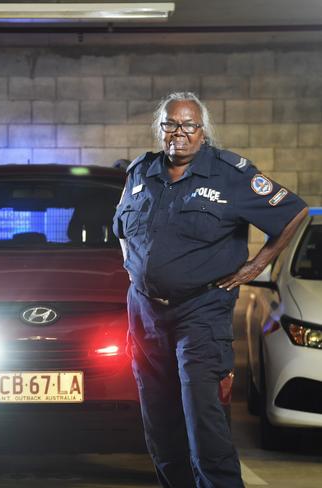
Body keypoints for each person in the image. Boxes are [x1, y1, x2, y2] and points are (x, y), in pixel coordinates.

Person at [113, 91, 308, 488]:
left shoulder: (231, 175)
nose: (178, 134)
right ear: (159, 128)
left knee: (205, 428)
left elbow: (293, 211)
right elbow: (120, 227)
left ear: (203, 133)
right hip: (146, 314)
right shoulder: (140, 172)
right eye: (170, 125)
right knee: (161, 426)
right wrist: (133, 266)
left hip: (201, 313)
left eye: (188, 126)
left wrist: (255, 266)